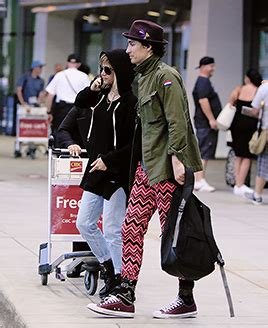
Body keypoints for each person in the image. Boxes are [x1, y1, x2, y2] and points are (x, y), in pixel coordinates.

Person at [87, 20, 202, 319]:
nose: (128, 50)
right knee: (130, 228)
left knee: (173, 234)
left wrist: (178, 159)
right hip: (145, 168)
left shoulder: (166, 77)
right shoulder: (141, 78)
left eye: (132, 44)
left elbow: (178, 121)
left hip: (165, 169)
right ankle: (125, 293)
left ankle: (185, 298)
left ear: (148, 47)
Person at [57, 49, 137, 299]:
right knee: (84, 223)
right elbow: (79, 103)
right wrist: (93, 88)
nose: (103, 74)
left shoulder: (130, 103)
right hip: (95, 169)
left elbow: (134, 145)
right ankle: (109, 268)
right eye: (101, 69)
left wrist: (108, 161)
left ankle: (120, 282)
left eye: (108, 70)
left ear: (120, 73)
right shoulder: (100, 97)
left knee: (113, 229)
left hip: (116, 171)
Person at [229, 69, 262, 196]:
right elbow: (257, 110)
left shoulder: (238, 89)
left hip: (236, 124)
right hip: (250, 125)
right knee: (247, 155)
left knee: (238, 154)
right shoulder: (258, 90)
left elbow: (230, 103)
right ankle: (240, 184)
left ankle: (237, 184)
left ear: (247, 78)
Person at [46, 54, 90, 145]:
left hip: (61, 109)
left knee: (60, 132)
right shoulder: (84, 76)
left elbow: (50, 95)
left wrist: (49, 112)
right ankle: (75, 155)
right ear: (79, 64)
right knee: (76, 135)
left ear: (67, 63)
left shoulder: (59, 75)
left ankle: (60, 155)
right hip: (77, 109)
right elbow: (88, 95)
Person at [192, 56, 222, 192]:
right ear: (203, 66)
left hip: (203, 123)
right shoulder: (203, 82)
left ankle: (199, 179)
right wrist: (211, 119)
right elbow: (203, 101)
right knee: (204, 150)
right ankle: (199, 180)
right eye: (211, 66)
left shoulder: (204, 82)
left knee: (204, 150)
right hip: (205, 123)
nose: (213, 69)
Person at [15, 60, 45, 157]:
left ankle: (31, 148)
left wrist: (40, 101)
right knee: (21, 126)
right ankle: (18, 148)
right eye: (40, 67)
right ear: (35, 68)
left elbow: (41, 93)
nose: (41, 70)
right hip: (24, 105)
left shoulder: (40, 80)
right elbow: (19, 90)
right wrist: (23, 103)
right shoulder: (25, 77)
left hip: (34, 106)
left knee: (33, 125)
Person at [245, 82, 268, 205]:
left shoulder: (264, 88)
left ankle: (257, 195)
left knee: (263, 163)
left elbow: (255, 110)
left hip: (266, 132)